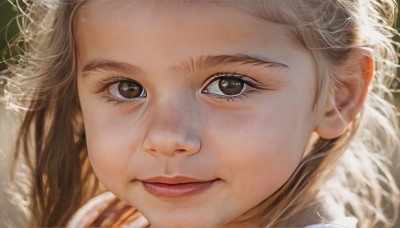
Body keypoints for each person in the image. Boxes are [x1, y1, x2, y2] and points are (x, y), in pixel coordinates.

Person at [1, 0, 399, 227]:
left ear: (339, 96)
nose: (167, 137)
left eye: (229, 85)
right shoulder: (106, 220)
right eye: (127, 88)